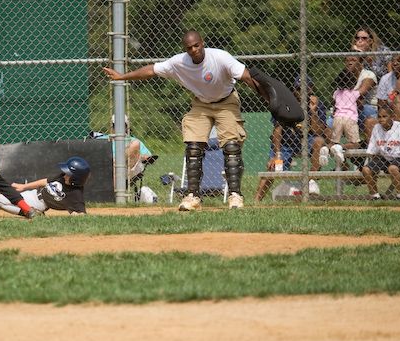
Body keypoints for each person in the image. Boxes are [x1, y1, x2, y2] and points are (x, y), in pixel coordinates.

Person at [102, 30, 263, 210]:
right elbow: (151, 70)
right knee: (193, 147)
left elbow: (246, 76)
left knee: (231, 147)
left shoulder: (220, 57)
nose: (194, 50)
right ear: (185, 49)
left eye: (196, 45)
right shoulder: (178, 62)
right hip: (201, 103)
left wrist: (268, 96)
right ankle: (193, 196)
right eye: (189, 48)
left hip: (226, 101)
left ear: (202, 43)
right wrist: (122, 76)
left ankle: (235, 196)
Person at [255, 76, 327, 201]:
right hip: (286, 144)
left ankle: (309, 182)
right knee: (272, 167)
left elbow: (318, 131)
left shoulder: (316, 104)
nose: (302, 92)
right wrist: (277, 154)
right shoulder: (285, 103)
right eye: (299, 89)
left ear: (311, 89)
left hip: (306, 141)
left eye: (305, 89)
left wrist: (313, 111)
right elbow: (277, 130)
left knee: (319, 142)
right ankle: (257, 200)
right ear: (294, 90)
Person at [0, 156, 90, 217]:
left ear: (75, 179)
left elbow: (81, 214)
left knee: (0, 200)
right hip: (32, 195)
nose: (64, 174)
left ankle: (31, 214)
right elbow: (44, 182)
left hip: (38, 205)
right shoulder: (63, 177)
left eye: (68, 173)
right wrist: (24, 186)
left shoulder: (75, 195)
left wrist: (76, 214)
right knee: (1, 199)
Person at [361, 105, 400, 200]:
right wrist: (373, 166)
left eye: (384, 116)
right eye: (379, 117)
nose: (381, 119)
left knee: (392, 168)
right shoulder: (376, 128)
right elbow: (373, 150)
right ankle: (375, 196)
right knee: (366, 169)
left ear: (392, 117)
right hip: (385, 158)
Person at [91, 115, 155, 184]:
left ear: (126, 127)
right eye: (116, 125)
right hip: (105, 168)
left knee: (135, 144)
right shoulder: (101, 139)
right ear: (111, 126)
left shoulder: (133, 141)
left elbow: (147, 157)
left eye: (122, 126)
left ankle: (116, 163)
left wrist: (136, 156)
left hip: (127, 169)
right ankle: (115, 165)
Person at [325, 67, 361, 166]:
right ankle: (341, 147)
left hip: (337, 117)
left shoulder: (336, 93)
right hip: (350, 118)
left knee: (333, 141)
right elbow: (359, 102)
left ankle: (326, 149)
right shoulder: (355, 93)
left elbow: (333, 103)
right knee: (355, 144)